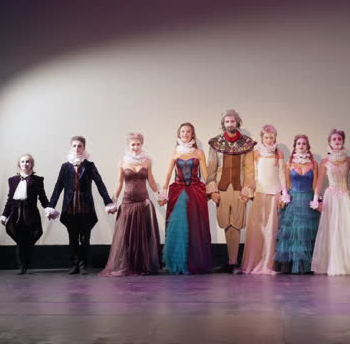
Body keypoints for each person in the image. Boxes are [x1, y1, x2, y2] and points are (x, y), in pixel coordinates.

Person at [46, 136, 115, 275]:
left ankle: (83, 265)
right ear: (71, 147)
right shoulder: (65, 166)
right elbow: (58, 187)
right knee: (72, 238)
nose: (77, 148)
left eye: (80, 146)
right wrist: (51, 205)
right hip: (70, 208)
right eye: (74, 145)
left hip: (85, 208)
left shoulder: (89, 166)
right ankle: (74, 265)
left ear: (84, 148)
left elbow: (100, 184)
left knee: (84, 239)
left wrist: (108, 202)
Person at [311, 129, 350, 275]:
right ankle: (333, 264)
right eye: (334, 139)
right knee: (332, 230)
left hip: (345, 196)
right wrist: (315, 199)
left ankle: (349, 264)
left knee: (347, 230)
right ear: (329, 142)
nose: (337, 141)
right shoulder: (325, 162)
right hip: (331, 198)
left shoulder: (349, 160)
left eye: (339, 139)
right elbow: (319, 182)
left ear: (343, 141)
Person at [100, 133, 162, 276]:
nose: (135, 147)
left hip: (143, 201)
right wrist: (113, 200)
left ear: (141, 144)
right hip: (128, 201)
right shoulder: (123, 162)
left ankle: (142, 265)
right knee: (126, 235)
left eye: (138, 144)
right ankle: (128, 264)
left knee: (143, 234)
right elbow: (119, 182)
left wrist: (158, 194)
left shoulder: (147, 161)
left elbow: (151, 180)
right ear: (128, 146)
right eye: (133, 144)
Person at [206, 109, 256, 273]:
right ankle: (230, 260)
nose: (230, 124)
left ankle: (233, 262)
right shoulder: (216, 143)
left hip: (239, 188)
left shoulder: (246, 143)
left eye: (232, 121)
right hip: (221, 188)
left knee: (236, 224)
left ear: (237, 122)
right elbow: (211, 167)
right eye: (227, 122)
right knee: (226, 223)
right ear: (223, 124)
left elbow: (249, 169)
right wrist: (212, 190)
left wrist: (247, 191)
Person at [161, 123, 212, 274]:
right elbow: (168, 174)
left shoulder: (199, 152)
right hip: (179, 191)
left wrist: (212, 190)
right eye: (183, 131)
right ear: (179, 134)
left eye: (188, 131)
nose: (185, 134)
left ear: (192, 134)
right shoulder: (175, 152)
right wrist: (163, 191)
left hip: (195, 191)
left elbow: (206, 174)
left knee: (195, 226)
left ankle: (195, 262)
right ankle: (178, 262)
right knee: (178, 226)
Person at [240, 125, 288, 274]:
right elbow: (253, 174)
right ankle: (255, 262)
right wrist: (251, 191)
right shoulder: (256, 153)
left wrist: (284, 193)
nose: (268, 140)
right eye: (266, 137)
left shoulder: (278, 154)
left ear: (275, 138)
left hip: (274, 194)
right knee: (258, 229)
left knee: (271, 229)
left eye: (271, 137)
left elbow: (281, 174)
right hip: (260, 193)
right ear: (262, 138)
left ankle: (269, 264)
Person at [274, 135, 320, 274]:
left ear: (307, 146)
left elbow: (315, 185)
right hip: (294, 200)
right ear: (295, 146)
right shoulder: (289, 163)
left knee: (305, 233)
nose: (301, 146)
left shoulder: (314, 164)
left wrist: (317, 200)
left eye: (304, 143)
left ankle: (306, 266)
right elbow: (287, 184)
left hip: (307, 199)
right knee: (293, 234)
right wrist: (284, 197)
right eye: (299, 143)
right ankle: (292, 265)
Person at [0, 154, 49, 275]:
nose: (25, 164)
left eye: (27, 162)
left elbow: (42, 197)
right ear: (19, 164)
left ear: (32, 164)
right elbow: (10, 199)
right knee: (20, 241)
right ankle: (22, 266)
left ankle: (26, 264)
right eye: (22, 162)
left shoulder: (37, 180)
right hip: (16, 216)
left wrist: (48, 208)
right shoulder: (12, 180)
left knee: (29, 240)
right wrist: (4, 215)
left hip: (30, 215)